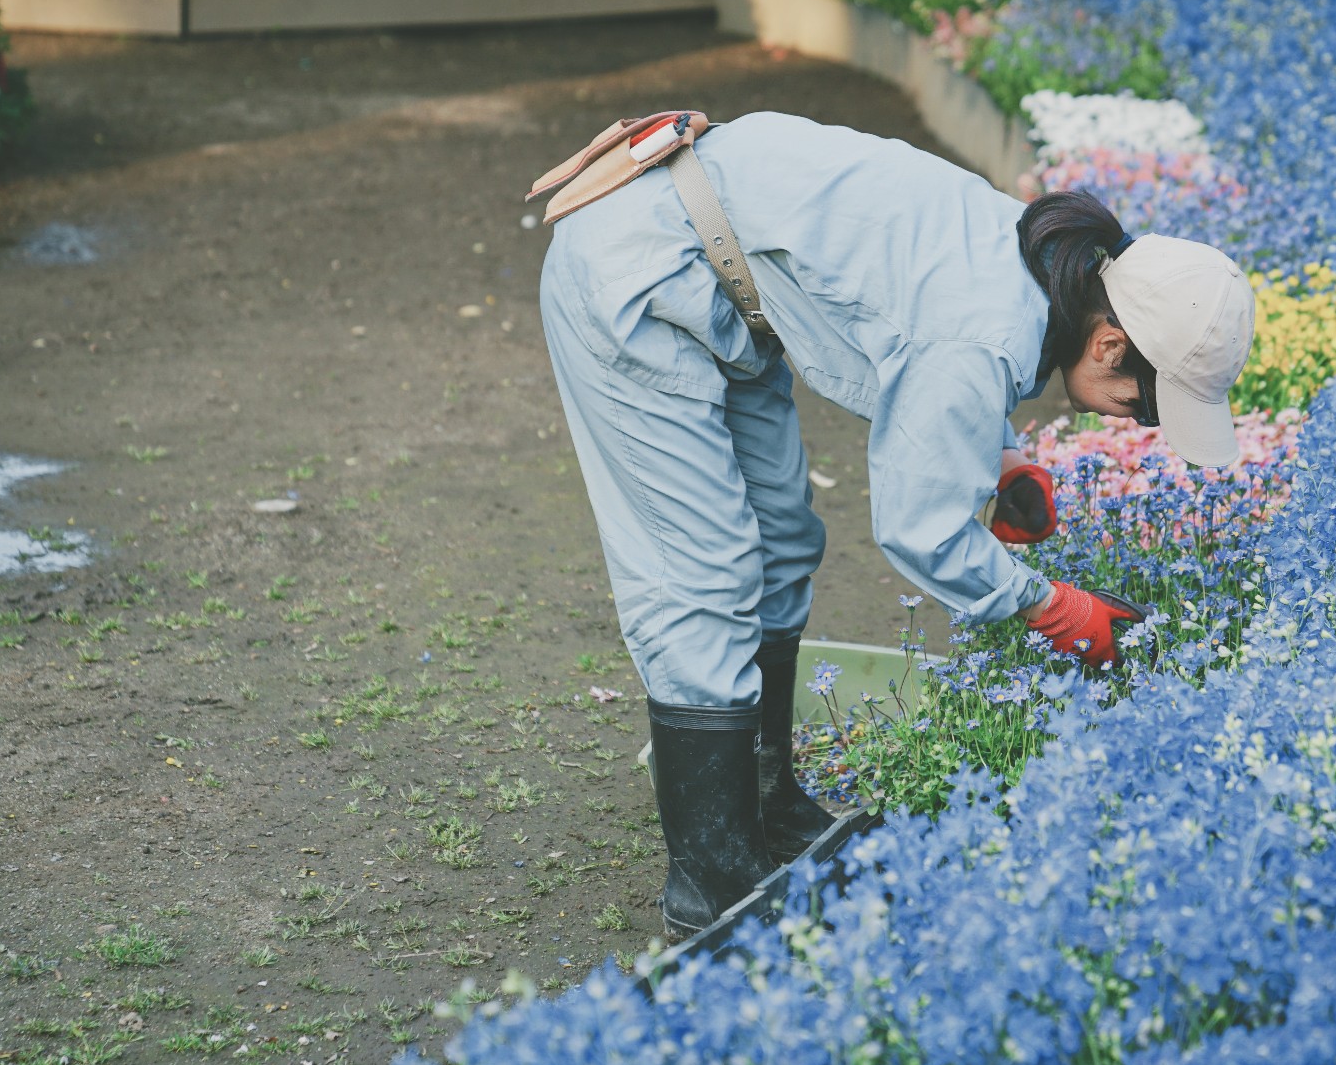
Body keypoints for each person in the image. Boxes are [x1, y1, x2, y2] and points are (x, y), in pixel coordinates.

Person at [537, 111, 1255, 940]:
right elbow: (921, 526)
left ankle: (766, 805)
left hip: (716, 279)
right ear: (1109, 341)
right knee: (703, 573)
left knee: (782, 540)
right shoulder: (987, 331)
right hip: (637, 275)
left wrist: (1002, 461)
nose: (1139, 425)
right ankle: (710, 875)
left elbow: (921, 341)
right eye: (1148, 403)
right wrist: (1050, 606)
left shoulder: (1039, 264)